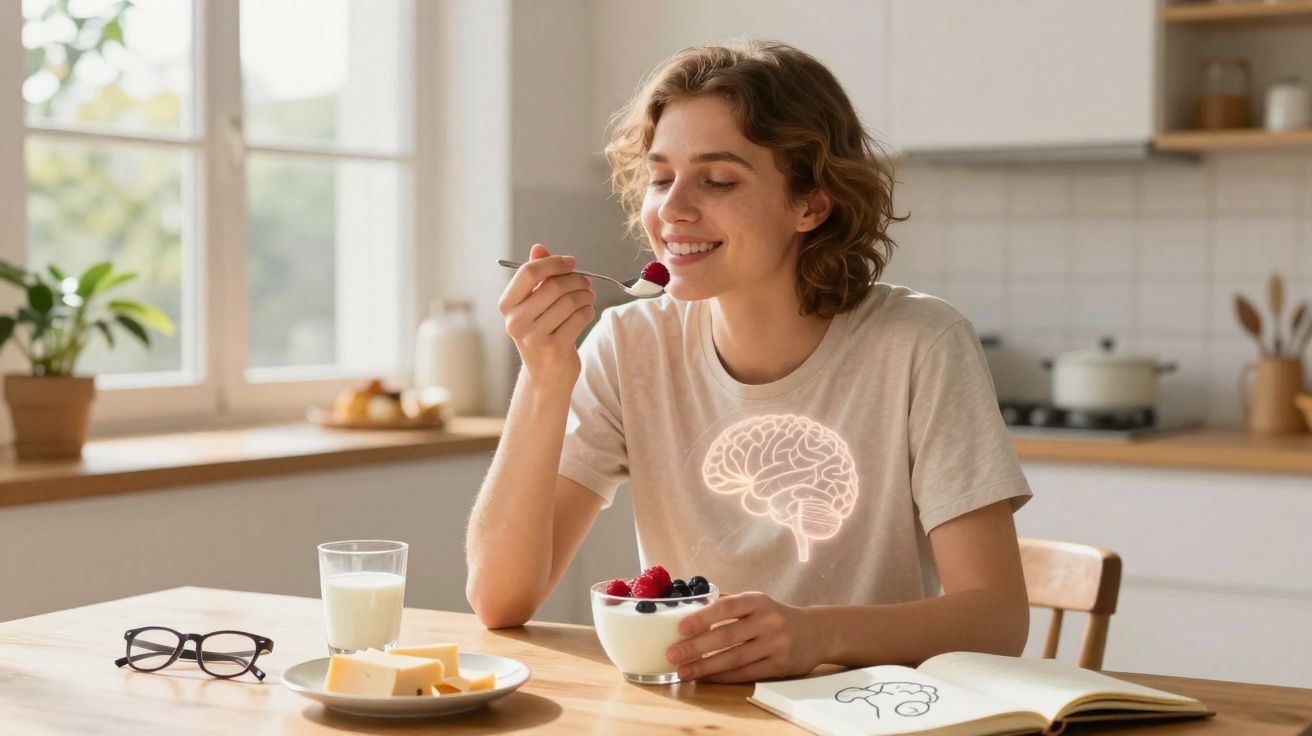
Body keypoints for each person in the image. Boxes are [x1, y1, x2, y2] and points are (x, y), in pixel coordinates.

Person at [466, 39, 1032, 684]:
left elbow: (996, 621)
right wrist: (542, 380)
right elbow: (499, 600)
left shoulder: (920, 344)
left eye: (718, 180)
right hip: (697, 713)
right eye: (659, 178)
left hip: (869, 711)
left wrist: (817, 633)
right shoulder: (628, 343)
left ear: (810, 204)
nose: (672, 209)